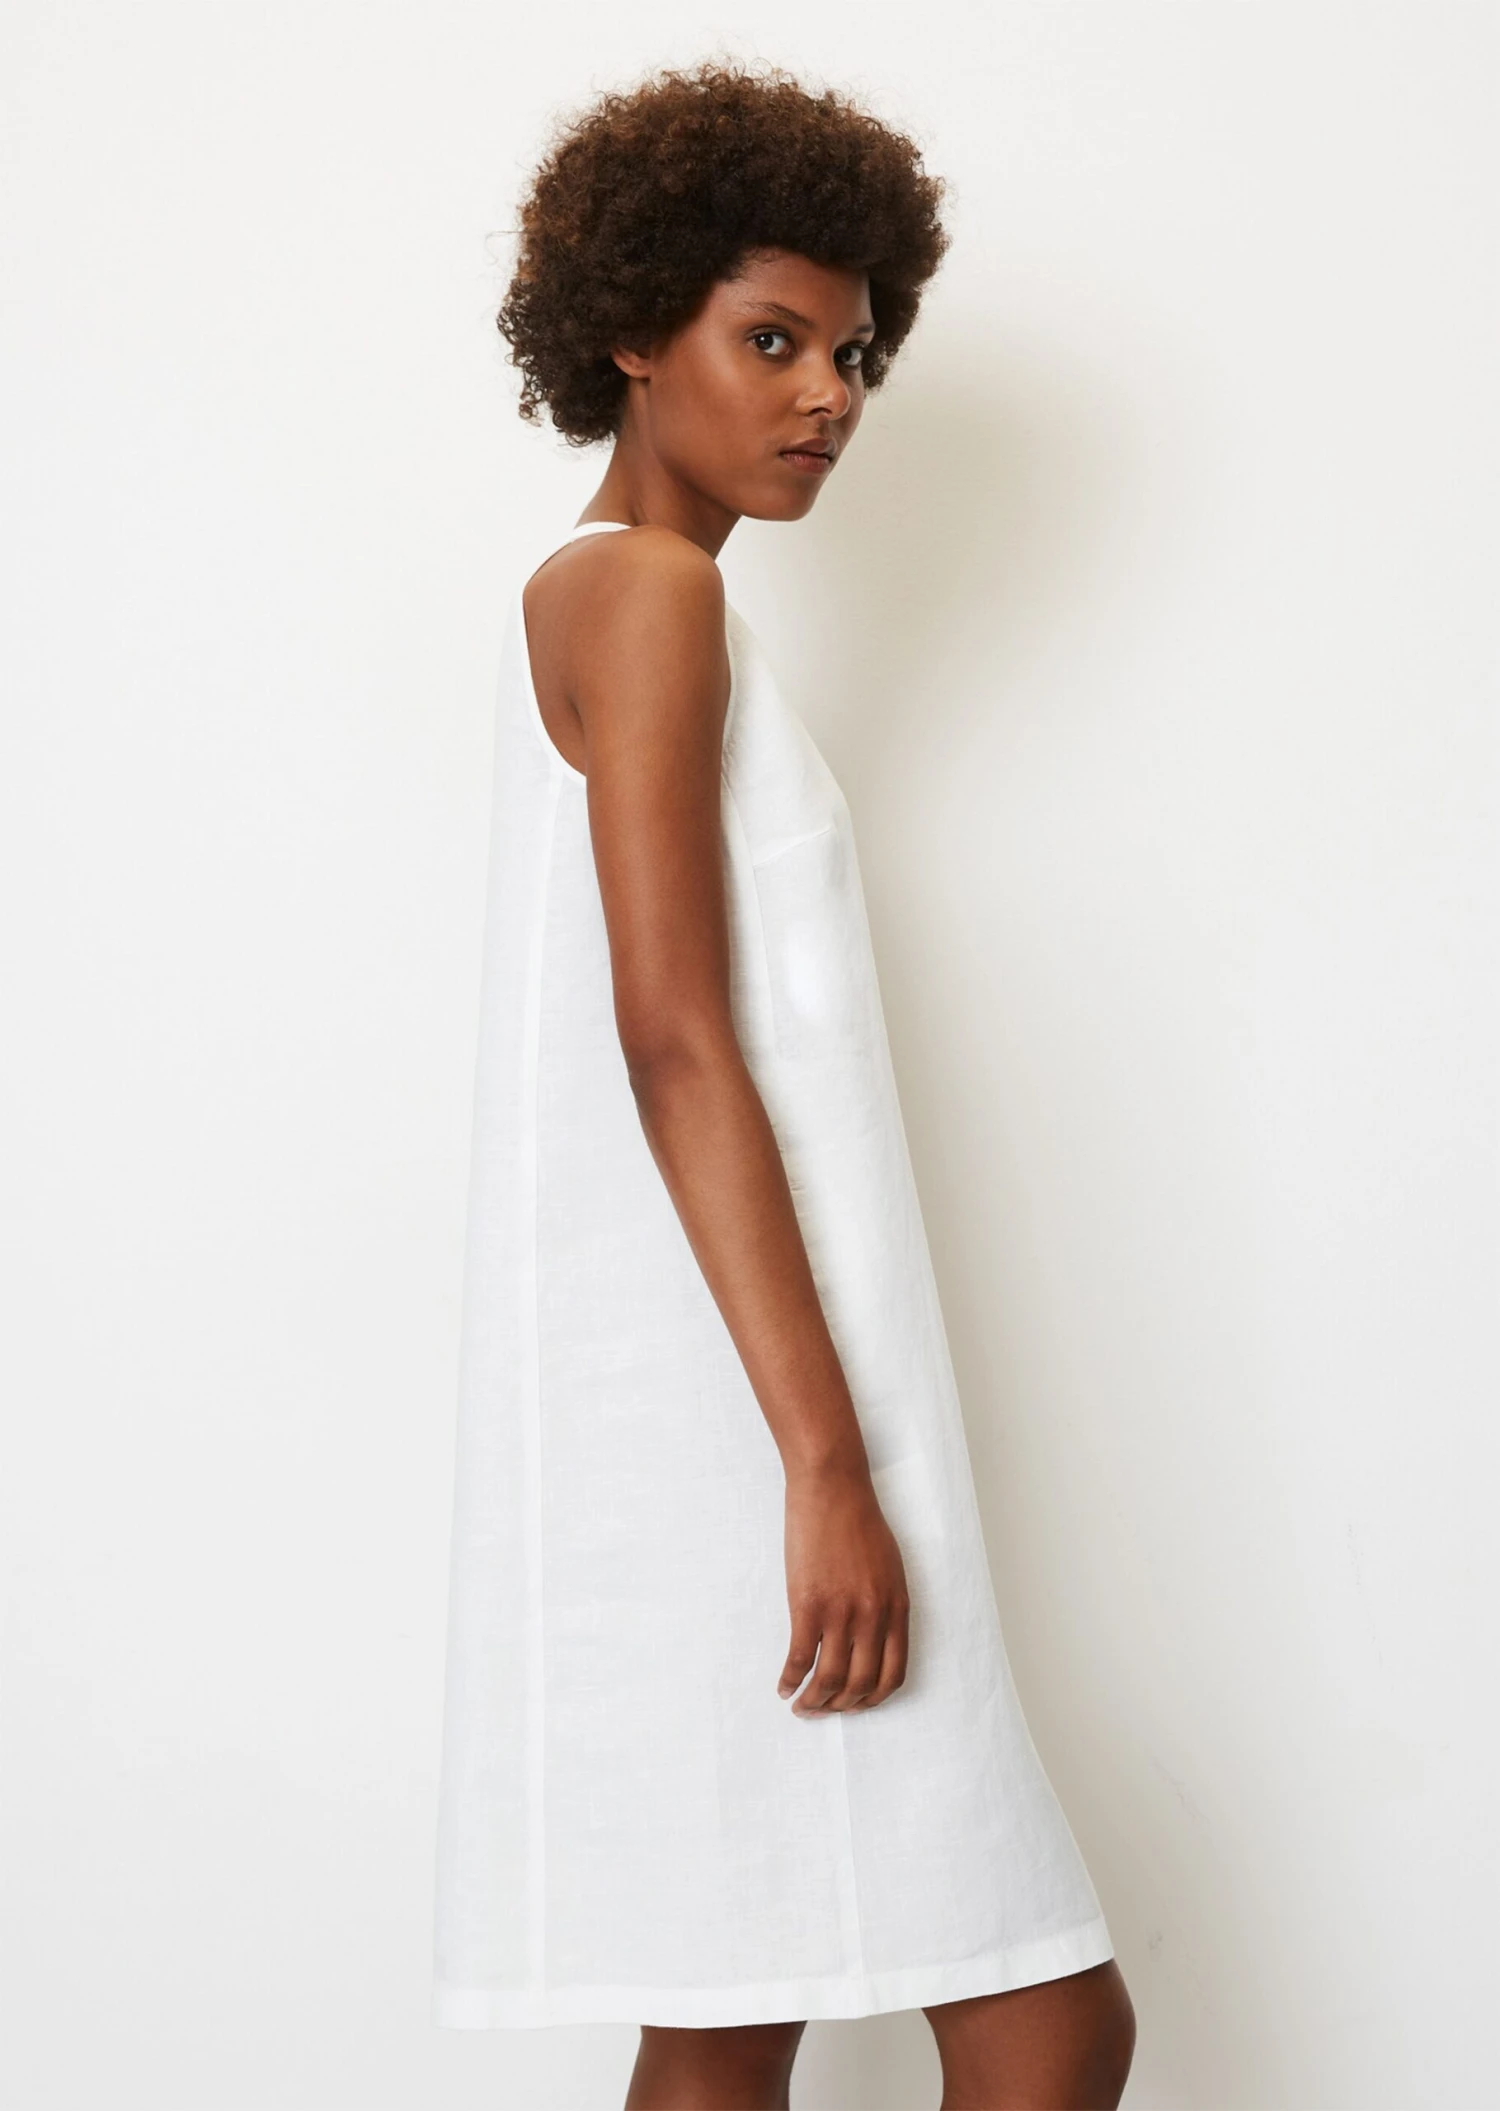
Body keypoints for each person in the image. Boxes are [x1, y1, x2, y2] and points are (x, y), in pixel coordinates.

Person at [431, 58, 1136, 2111]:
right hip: (768, 1422)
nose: (829, 392)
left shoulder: (621, 597)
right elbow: (673, 1034)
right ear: (631, 333)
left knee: (731, 2007)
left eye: (855, 353)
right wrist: (828, 1466)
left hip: (732, 1395)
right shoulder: (647, 595)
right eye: (774, 340)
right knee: (1042, 2013)